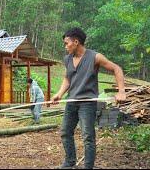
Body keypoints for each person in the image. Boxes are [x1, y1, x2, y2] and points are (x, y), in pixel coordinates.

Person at [51, 27, 126, 169]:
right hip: (71, 101)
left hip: (87, 104)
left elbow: (117, 69)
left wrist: (121, 91)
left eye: (67, 43)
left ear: (76, 42)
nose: (65, 46)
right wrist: (59, 94)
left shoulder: (95, 57)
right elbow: (68, 78)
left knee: (88, 137)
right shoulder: (67, 59)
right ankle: (69, 162)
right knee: (65, 132)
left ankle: (88, 167)